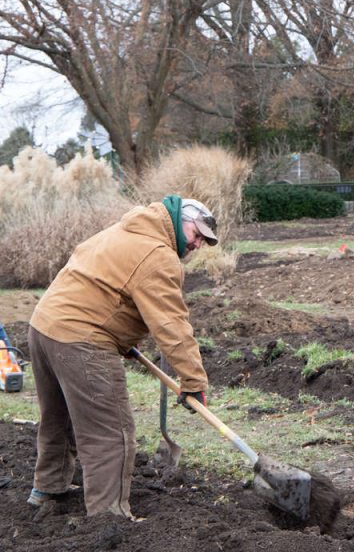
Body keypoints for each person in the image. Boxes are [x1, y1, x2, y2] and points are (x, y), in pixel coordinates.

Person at [27, 195, 219, 519]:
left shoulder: (123, 230)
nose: (198, 243)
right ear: (178, 220)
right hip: (81, 340)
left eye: (204, 240)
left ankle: (48, 488)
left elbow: (99, 283)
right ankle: (108, 518)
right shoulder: (158, 255)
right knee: (111, 432)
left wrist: (121, 335)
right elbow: (171, 325)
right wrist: (194, 381)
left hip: (44, 328)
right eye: (197, 234)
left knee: (58, 418)